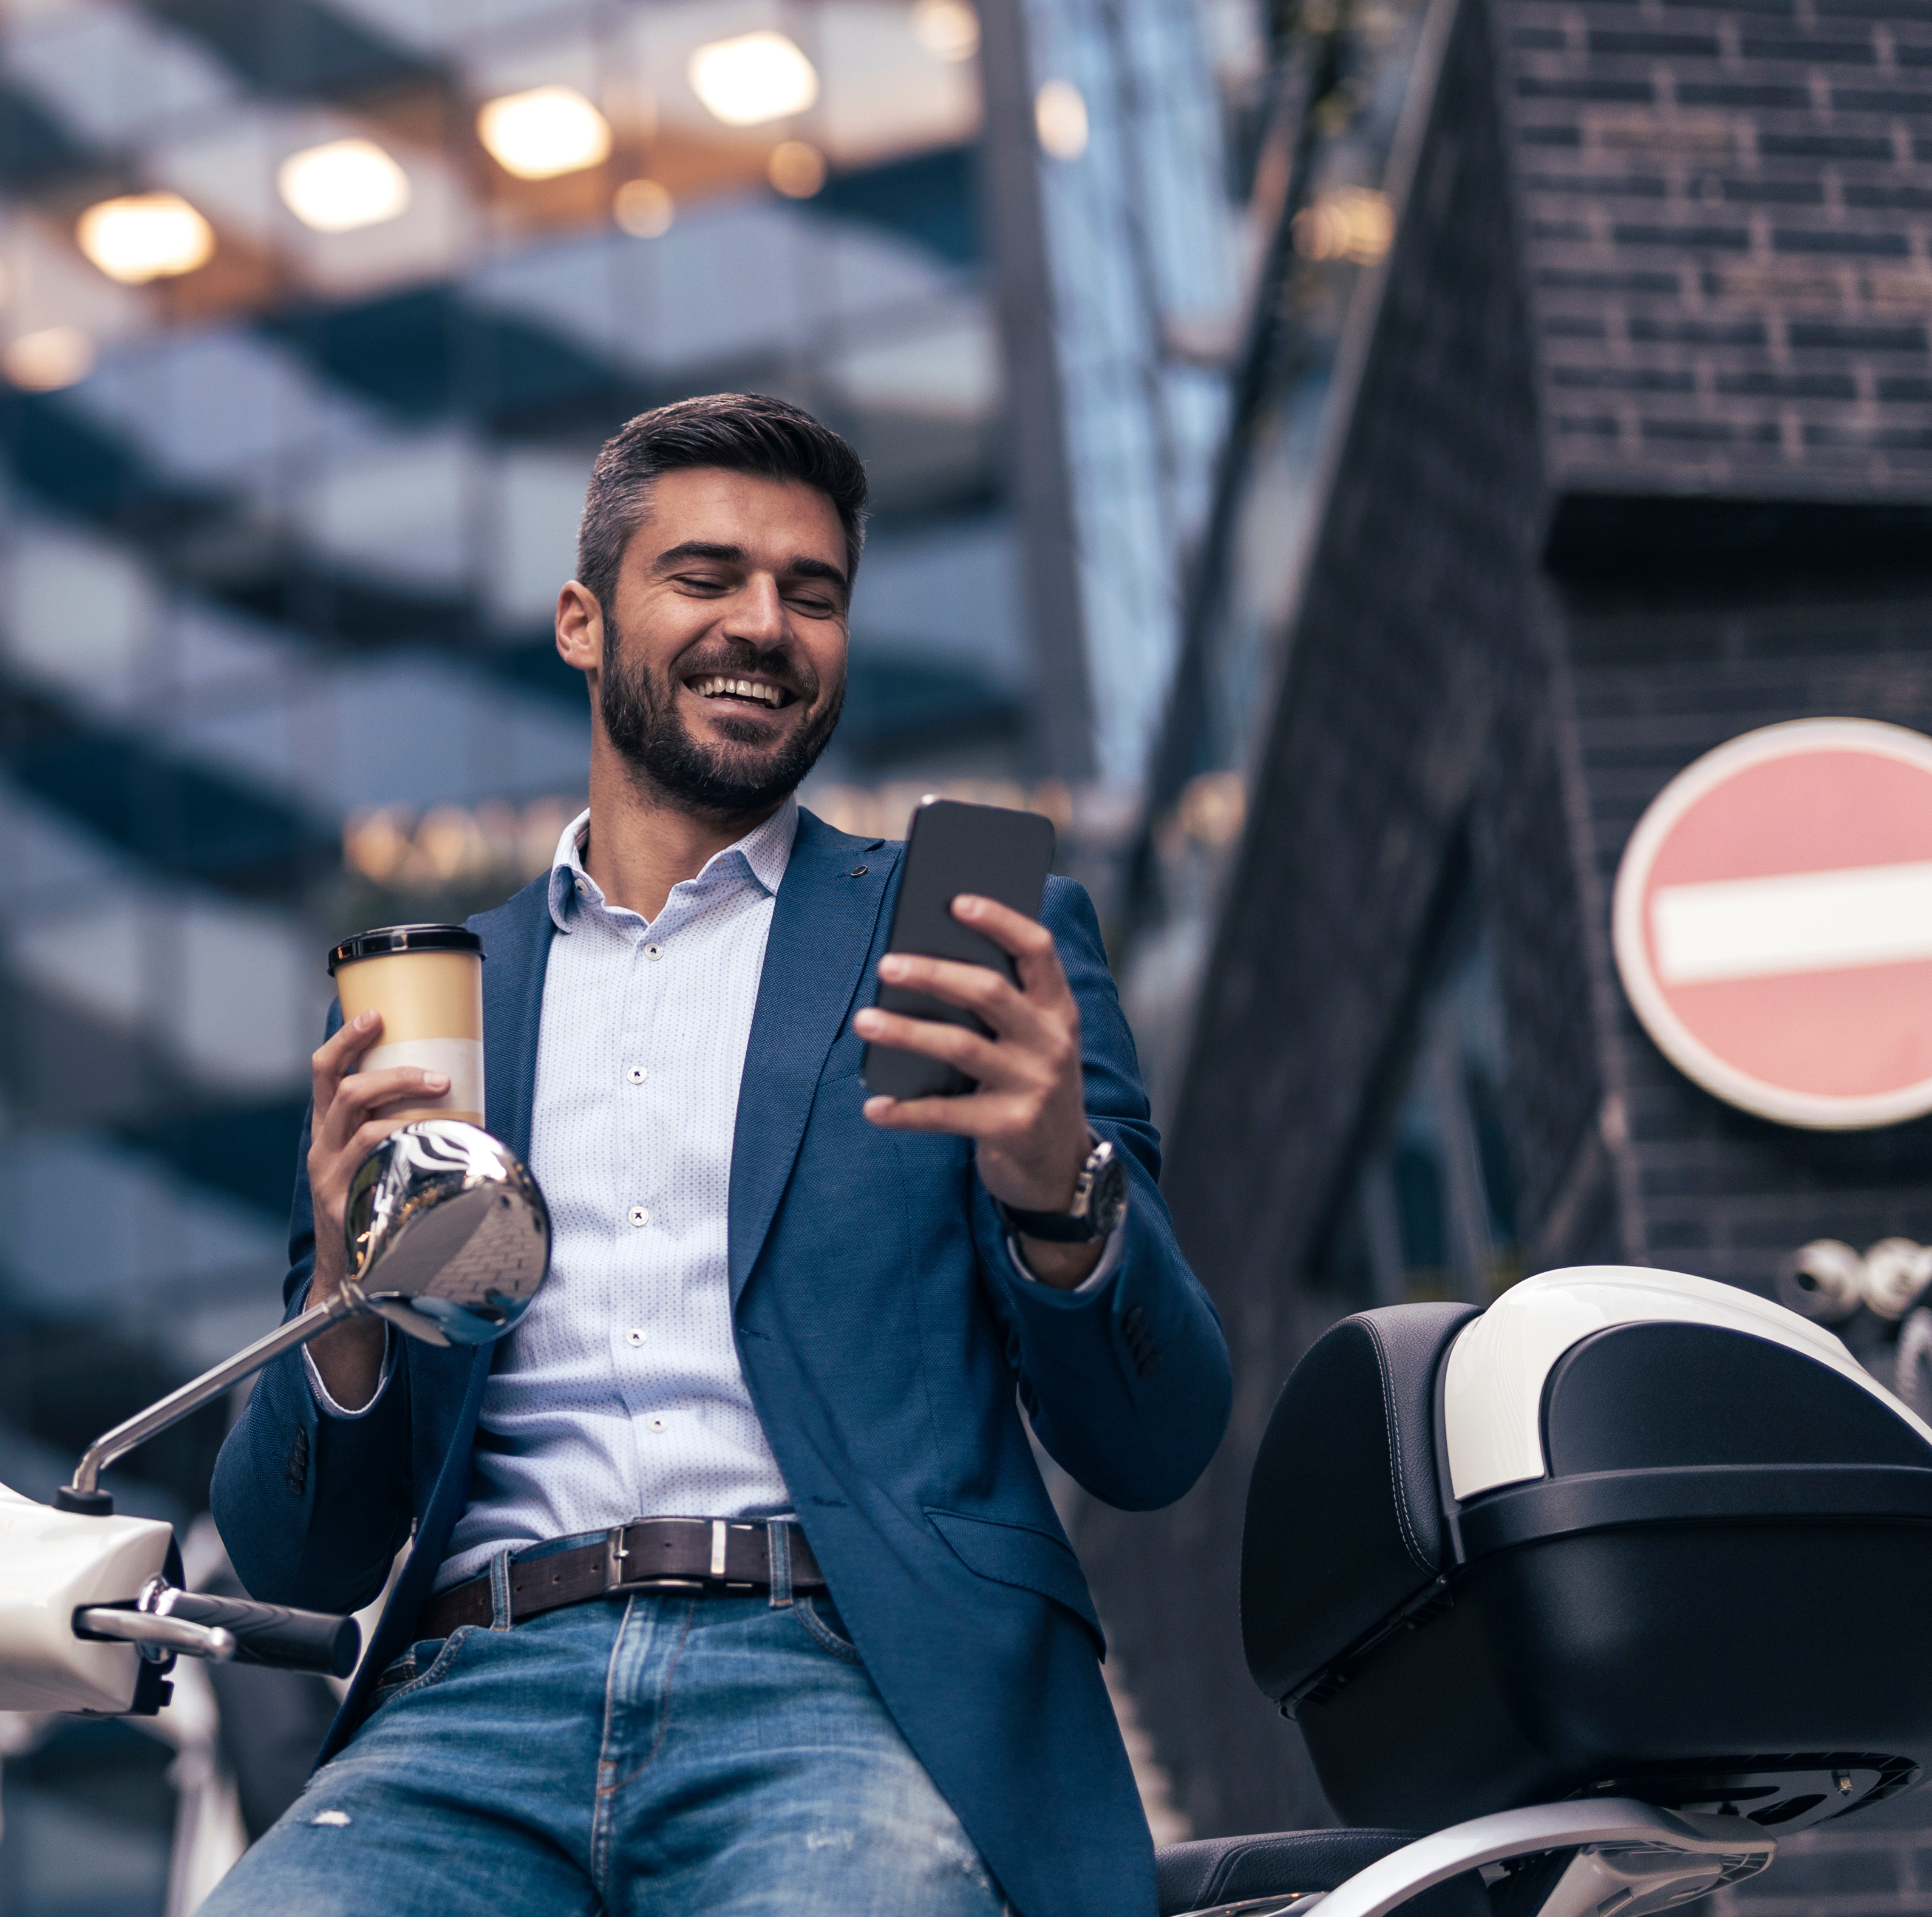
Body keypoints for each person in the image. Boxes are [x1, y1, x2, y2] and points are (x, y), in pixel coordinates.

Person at [204, 393, 1230, 1917]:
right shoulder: (436, 999)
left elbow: (1158, 1444)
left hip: (843, 1678)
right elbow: (297, 1553)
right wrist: (349, 1299)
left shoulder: (961, 942)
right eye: (707, 577)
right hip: (469, 1700)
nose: (764, 624)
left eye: (811, 595)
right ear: (581, 620)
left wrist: (1061, 1190)